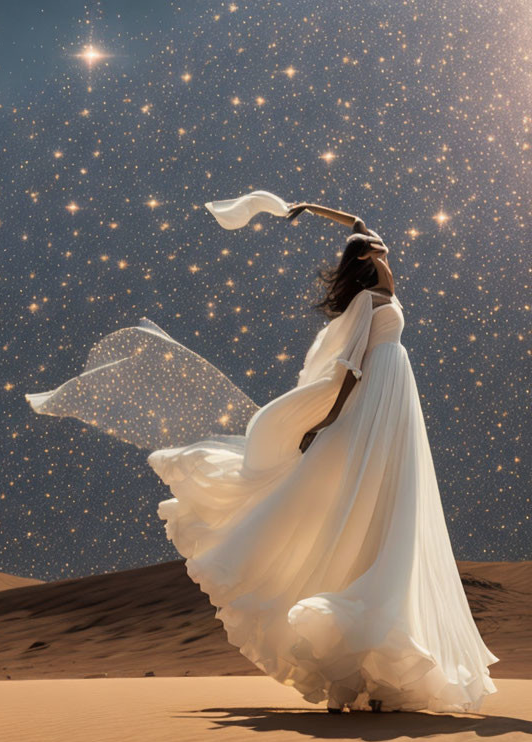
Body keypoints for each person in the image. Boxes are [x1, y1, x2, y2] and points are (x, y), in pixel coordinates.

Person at [25, 194, 499, 714]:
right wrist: (329, 419)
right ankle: (352, 646)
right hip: (375, 398)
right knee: (359, 496)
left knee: (391, 504)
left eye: (378, 245)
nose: (384, 248)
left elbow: (361, 223)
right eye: (375, 248)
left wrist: (311, 207)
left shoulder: (384, 287)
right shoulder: (369, 304)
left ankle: (380, 666)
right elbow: (349, 370)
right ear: (365, 260)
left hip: (397, 401)